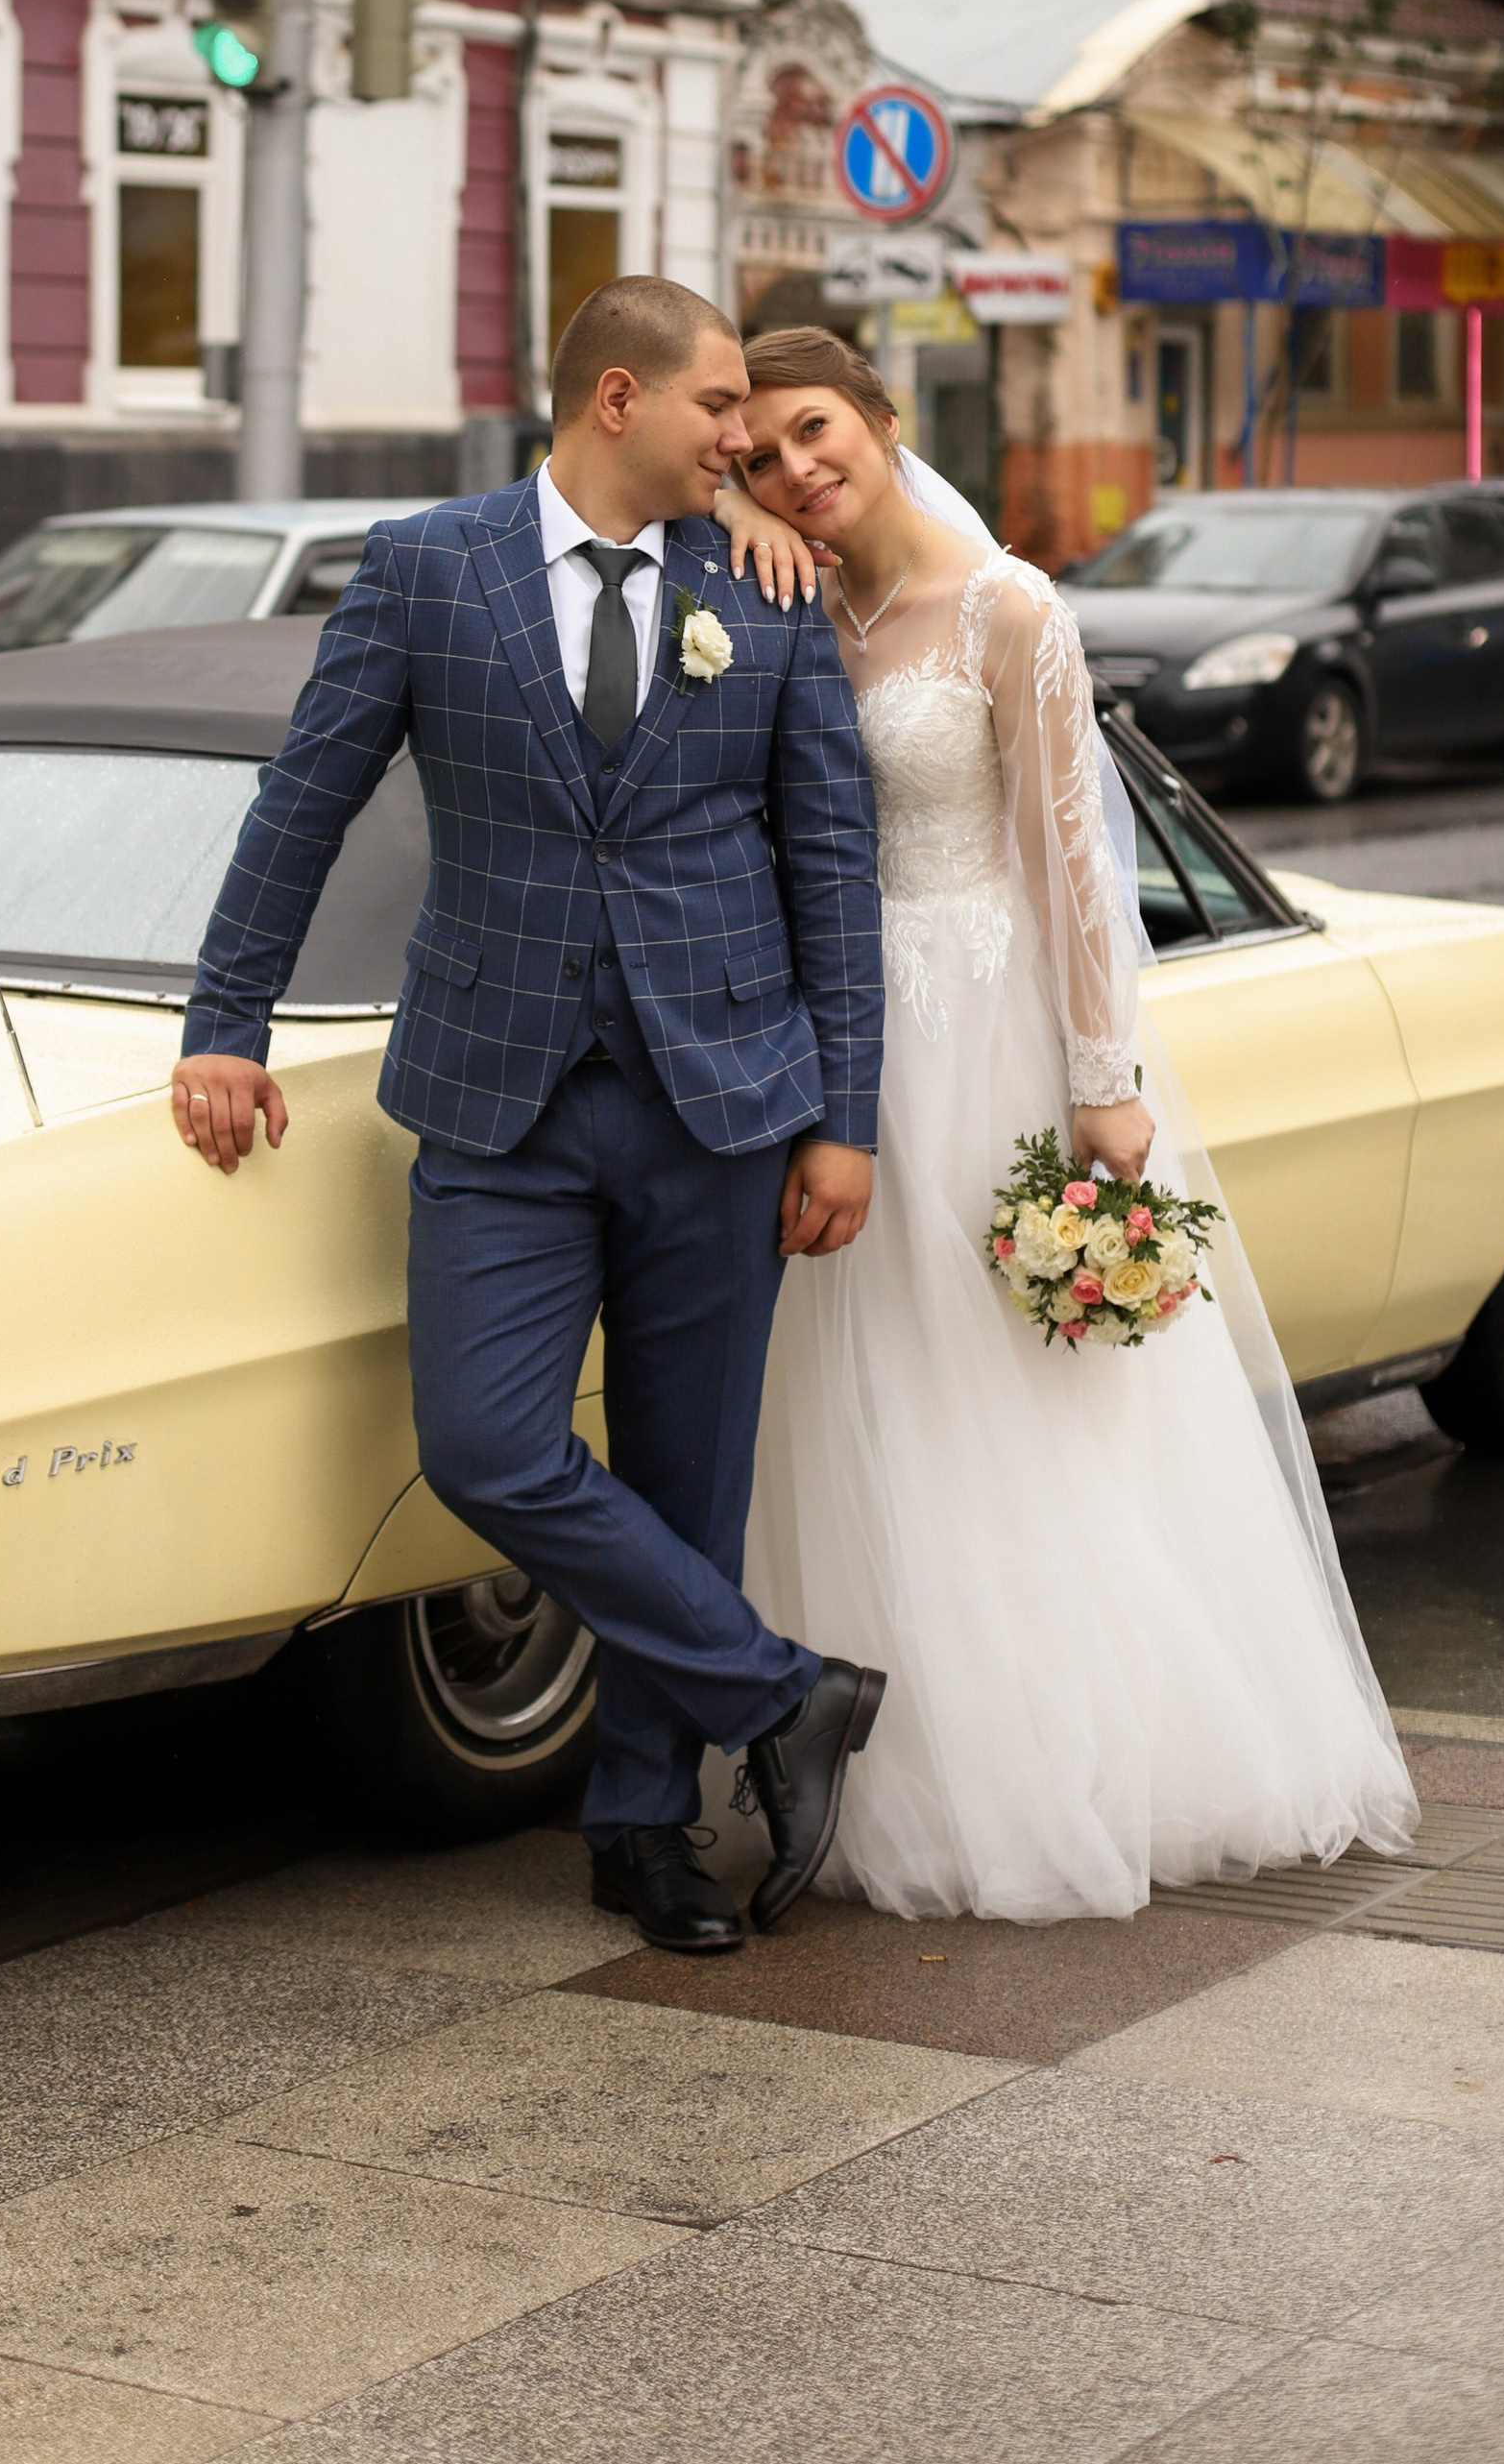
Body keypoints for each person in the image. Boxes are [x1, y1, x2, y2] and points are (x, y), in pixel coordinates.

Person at [174, 279, 888, 1951]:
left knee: (688, 1479)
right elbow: (309, 797)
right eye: (724, 408)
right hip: (497, 1096)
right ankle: (785, 1696)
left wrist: (843, 1113)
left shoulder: (764, 583)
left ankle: (644, 1831)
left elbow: (831, 866)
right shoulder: (431, 565)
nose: (749, 440)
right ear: (619, 400)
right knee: (486, 1443)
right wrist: (227, 1022)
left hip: (722, 1099)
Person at [713, 328, 1417, 1918]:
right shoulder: (786, 602)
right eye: (757, 455)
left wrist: (1105, 1080)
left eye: (813, 430)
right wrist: (733, 526)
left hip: (984, 1041)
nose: (793, 468)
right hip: (840, 1049)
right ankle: (872, 1738)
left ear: (882, 419)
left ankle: (1045, 1764)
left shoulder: (1010, 608)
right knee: (863, 1388)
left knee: (1002, 1398)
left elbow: (1074, 862)